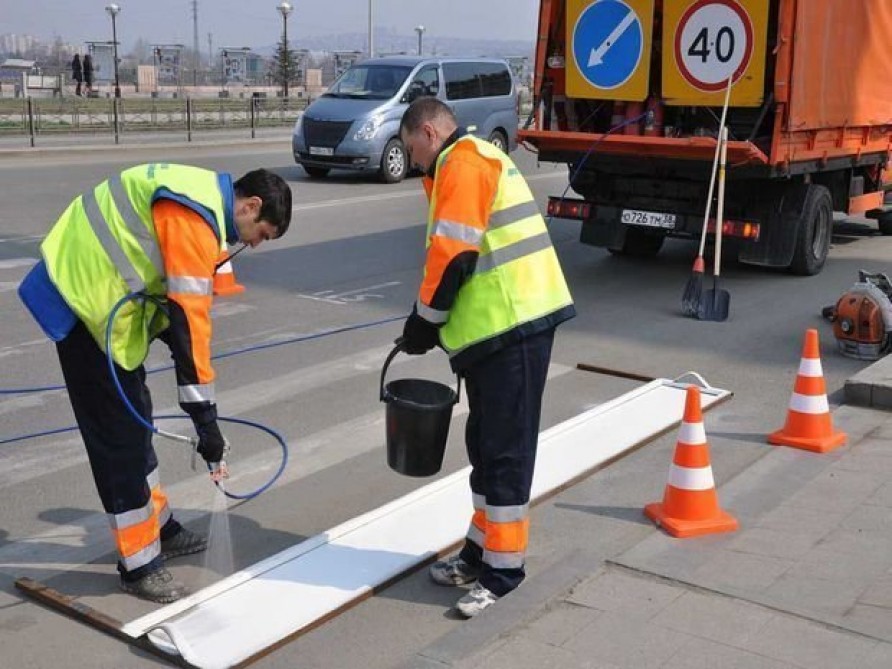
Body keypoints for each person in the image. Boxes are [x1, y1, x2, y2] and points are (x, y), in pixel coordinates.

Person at [18, 165, 292, 603]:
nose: (253, 244)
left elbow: (181, 309)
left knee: (137, 420)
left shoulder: (206, 209)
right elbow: (187, 323)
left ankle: (158, 526)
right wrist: (206, 423)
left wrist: (200, 403)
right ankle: (139, 564)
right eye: (260, 234)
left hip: (106, 308)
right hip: (79, 304)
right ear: (250, 205)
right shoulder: (194, 217)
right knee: (120, 441)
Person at [398, 98, 575, 618]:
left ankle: (504, 573)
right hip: (494, 332)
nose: (413, 163)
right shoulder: (461, 162)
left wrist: (423, 322)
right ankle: (479, 553)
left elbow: (454, 255)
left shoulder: (466, 163)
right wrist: (429, 323)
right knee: (485, 444)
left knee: (505, 452)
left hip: (516, 324)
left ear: (429, 132)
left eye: (412, 150)